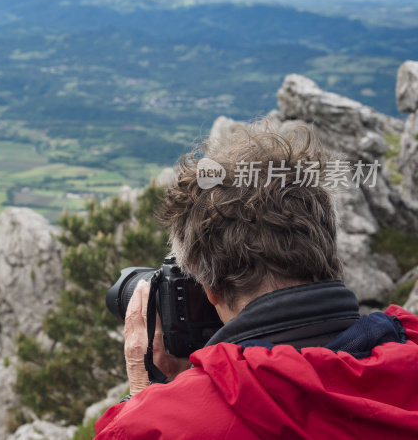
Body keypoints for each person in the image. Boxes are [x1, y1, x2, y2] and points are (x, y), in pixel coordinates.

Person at [94, 123, 418, 439]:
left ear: (208, 283)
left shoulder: (159, 425)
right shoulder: (409, 345)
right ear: (328, 250)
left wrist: (145, 401)